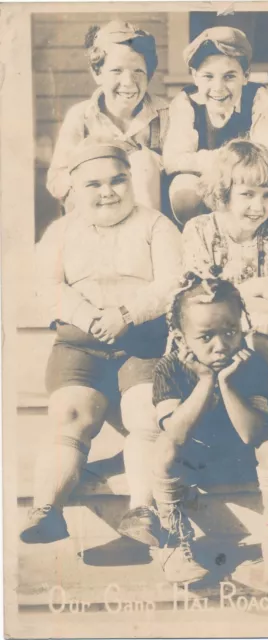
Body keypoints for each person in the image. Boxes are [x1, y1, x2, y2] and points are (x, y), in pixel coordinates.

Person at [20, 139, 182, 546]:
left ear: (132, 181)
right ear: (73, 189)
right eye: (94, 184)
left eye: (118, 180)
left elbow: (171, 283)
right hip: (81, 341)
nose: (108, 191)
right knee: (70, 414)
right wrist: (87, 315)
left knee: (142, 413)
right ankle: (47, 509)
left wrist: (125, 314)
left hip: (142, 340)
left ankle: (142, 510)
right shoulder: (61, 231)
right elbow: (45, 284)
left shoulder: (156, 225)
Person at [151, 273, 268, 585]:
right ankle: (175, 542)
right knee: (163, 447)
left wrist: (226, 383)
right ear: (181, 340)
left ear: (243, 328)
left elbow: (252, 435)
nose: (221, 346)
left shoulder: (252, 363)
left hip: (242, 460)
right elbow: (177, 435)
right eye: (206, 337)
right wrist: (206, 381)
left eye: (230, 332)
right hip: (195, 466)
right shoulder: (168, 368)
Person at [181, 139, 268, 409]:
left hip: (267, 343)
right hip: (208, 339)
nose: (259, 206)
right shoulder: (199, 230)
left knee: (266, 328)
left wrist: (226, 296)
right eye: (247, 194)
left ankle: (261, 414)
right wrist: (259, 286)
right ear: (223, 193)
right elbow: (199, 305)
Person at [162, 26, 268, 227]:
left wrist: (227, 169)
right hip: (204, 182)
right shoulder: (186, 102)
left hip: (247, 184)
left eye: (229, 76)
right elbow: (174, 160)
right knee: (183, 188)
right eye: (208, 76)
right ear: (194, 76)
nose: (218, 88)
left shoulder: (257, 98)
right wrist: (228, 161)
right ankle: (199, 243)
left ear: (245, 75)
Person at [47, 20, 168, 212]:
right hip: (99, 215)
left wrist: (144, 160)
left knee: (143, 162)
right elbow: (56, 179)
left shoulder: (165, 115)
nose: (128, 82)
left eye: (138, 71)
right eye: (116, 71)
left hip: (149, 214)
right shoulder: (81, 117)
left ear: (149, 75)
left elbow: (177, 169)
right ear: (97, 73)